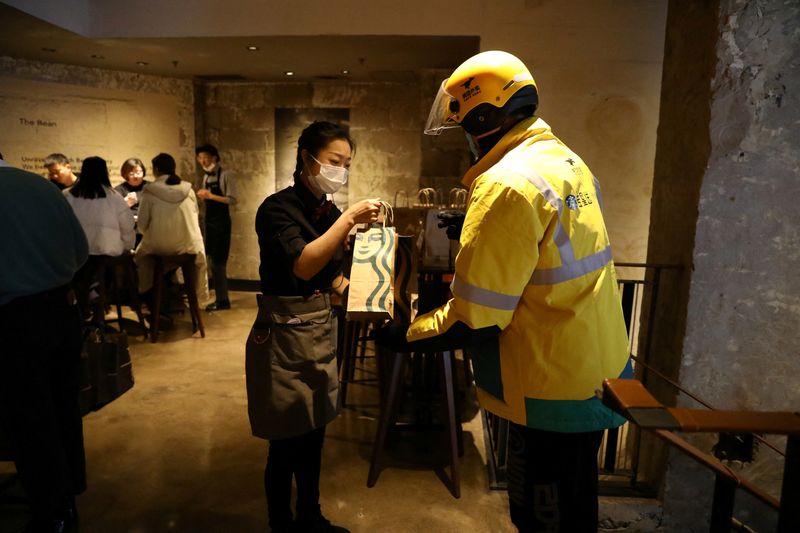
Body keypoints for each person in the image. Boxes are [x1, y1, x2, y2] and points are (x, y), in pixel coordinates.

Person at [376, 51, 633, 532]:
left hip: (547, 381)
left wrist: (407, 333)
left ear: (484, 116)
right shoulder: (566, 161)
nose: (467, 140)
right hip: (592, 367)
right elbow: (549, 260)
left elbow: (478, 314)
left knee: (542, 516)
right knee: (577, 507)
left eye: (466, 125)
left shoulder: (506, 184)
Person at [247, 121, 380, 533]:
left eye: (347, 164)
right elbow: (304, 263)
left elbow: (331, 279)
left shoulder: (331, 212)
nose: (340, 171)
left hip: (321, 331)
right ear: (306, 158)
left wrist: (371, 293)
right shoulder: (276, 209)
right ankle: (281, 524)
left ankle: (310, 515)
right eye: (334, 161)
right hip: (284, 337)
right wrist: (350, 220)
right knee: (285, 442)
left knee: (315, 434)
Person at [0, 151, 89, 532]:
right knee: (63, 405)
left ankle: (52, 510)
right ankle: (70, 489)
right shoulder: (42, 188)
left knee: (29, 417)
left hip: (13, 318)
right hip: (61, 310)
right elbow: (81, 251)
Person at [65, 156, 136, 323]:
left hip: (77, 255)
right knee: (103, 265)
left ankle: (86, 300)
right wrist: (128, 247)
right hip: (107, 251)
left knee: (86, 266)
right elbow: (128, 225)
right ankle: (98, 297)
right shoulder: (114, 197)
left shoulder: (67, 195)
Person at [135, 153, 209, 306]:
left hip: (160, 247)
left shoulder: (150, 191)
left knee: (141, 258)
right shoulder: (188, 190)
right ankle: (173, 295)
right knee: (170, 263)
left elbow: (141, 225)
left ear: (156, 170)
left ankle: (153, 301)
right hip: (188, 247)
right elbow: (195, 215)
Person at [195, 143, 237, 311]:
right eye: (200, 158)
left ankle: (223, 300)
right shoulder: (206, 177)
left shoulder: (226, 174)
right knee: (212, 261)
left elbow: (232, 199)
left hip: (221, 223)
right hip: (209, 222)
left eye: (205, 157)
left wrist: (210, 195)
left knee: (219, 262)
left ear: (214, 157)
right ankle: (220, 298)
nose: (202, 160)